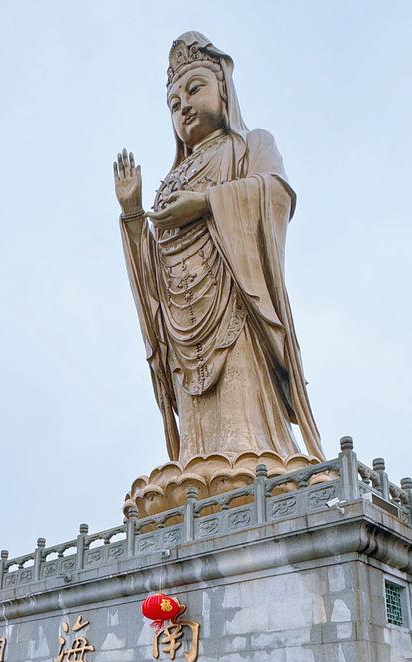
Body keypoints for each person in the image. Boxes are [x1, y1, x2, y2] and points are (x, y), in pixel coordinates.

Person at [114, 31, 324, 470]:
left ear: (223, 91)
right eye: (173, 103)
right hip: (182, 318)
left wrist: (209, 203)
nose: (184, 106)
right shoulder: (169, 181)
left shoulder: (249, 145)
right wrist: (134, 213)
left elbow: (277, 196)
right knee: (194, 455)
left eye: (194, 90)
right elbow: (151, 274)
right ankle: (197, 464)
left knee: (244, 426)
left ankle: (256, 459)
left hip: (234, 300)